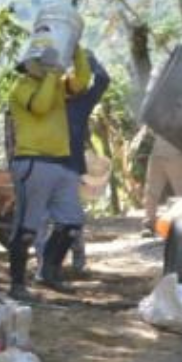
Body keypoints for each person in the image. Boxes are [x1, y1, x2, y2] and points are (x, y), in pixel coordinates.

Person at [5, 43, 93, 298]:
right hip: (33, 163)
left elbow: (83, 81)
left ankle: (49, 272)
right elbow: (41, 107)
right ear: (30, 65)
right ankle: (17, 285)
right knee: (27, 228)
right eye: (42, 63)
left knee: (72, 223)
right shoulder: (21, 87)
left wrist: (75, 49)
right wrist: (54, 73)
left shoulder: (55, 84)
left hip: (60, 164)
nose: (46, 67)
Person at [62, 50, 111, 275]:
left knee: (46, 219)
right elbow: (103, 80)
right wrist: (91, 59)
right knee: (71, 216)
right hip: (70, 168)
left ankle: (48, 265)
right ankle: (77, 261)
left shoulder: (49, 104)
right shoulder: (81, 105)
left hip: (50, 166)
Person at [143, 135, 182, 233]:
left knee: (181, 192)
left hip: (177, 154)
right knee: (151, 190)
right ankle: (149, 222)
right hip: (157, 153)